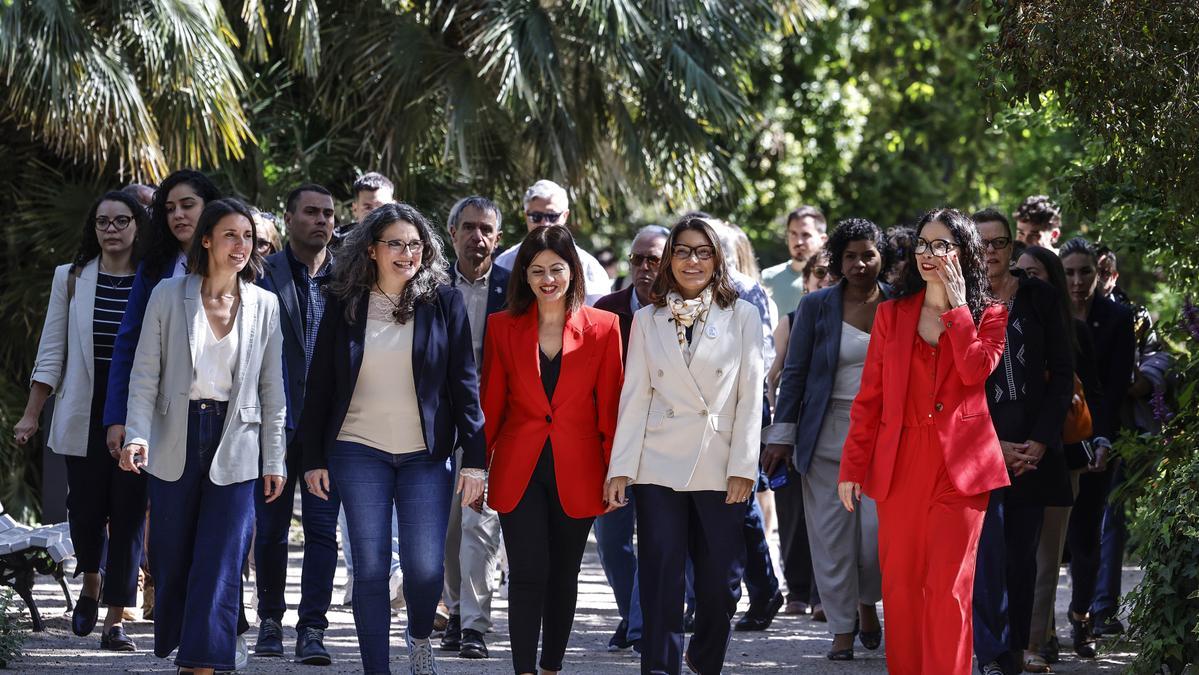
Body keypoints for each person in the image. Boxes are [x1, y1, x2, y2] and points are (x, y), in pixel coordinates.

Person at [299, 203, 486, 675]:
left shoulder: (444, 302)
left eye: (415, 244)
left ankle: (420, 635)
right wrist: (312, 457)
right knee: (372, 567)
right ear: (372, 250)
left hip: (426, 454)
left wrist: (475, 460)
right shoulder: (345, 303)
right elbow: (319, 384)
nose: (407, 253)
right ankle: (375, 668)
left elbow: (465, 385)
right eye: (396, 244)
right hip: (357, 448)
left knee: (425, 570)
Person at [836, 208, 1009, 674]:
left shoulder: (990, 314)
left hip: (962, 468)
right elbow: (869, 399)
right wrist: (853, 467)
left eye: (941, 245)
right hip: (901, 463)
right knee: (902, 589)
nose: (929, 254)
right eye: (922, 245)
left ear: (964, 253)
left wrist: (956, 309)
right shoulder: (891, 315)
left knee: (950, 588)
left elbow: (975, 371)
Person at [119, 198, 287, 675]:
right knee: (169, 554)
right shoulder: (169, 296)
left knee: (221, 556)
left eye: (248, 237)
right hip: (176, 432)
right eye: (230, 235)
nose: (241, 245)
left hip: (236, 440)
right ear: (207, 239)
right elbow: (144, 375)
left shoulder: (264, 305)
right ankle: (187, 638)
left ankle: (202, 660)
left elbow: (273, 388)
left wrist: (274, 459)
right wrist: (136, 435)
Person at [606, 215, 763, 675]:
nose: (692, 261)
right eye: (682, 251)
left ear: (717, 260)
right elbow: (635, 397)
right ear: (668, 259)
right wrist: (621, 468)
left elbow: (752, 396)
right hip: (658, 462)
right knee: (659, 576)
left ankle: (705, 657)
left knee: (723, 582)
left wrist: (744, 466)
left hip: (721, 461)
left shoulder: (744, 315)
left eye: (703, 251)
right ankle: (659, 667)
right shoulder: (646, 320)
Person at [481, 224, 623, 675]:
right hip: (518, 466)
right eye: (537, 270)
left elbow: (611, 408)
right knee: (525, 573)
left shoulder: (604, 327)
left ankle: (551, 668)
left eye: (556, 269)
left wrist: (616, 470)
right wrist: (473, 468)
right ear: (524, 274)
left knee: (563, 575)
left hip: (579, 468)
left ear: (573, 271)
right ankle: (523, 669)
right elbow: (491, 405)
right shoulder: (501, 328)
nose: (547, 279)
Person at [14, 191, 148, 651]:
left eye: (121, 221)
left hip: (138, 412)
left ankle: (115, 620)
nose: (111, 230)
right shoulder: (70, 279)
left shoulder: (156, 281)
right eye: (102, 222)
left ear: (137, 226)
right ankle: (91, 580)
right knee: (86, 512)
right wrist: (32, 413)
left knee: (129, 516)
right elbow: (52, 349)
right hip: (83, 408)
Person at [762, 218, 891, 661]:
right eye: (850, 256)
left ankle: (866, 602)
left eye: (868, 254)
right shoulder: (817, 306)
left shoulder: (900, 305)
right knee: (832, 536)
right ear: (838, 260)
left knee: (875, 537)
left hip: (885, 435)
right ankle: (841, 628)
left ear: (882, 257)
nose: (859, 264)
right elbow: (794, 373)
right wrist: (781, 436)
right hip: (826, 433)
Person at [970, 209, 1074, 675]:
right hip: (979, 442)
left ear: (1012, 247)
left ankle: (1014, 650)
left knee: (1021, 553)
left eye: (999, 243)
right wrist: (993, 442)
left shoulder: (1041, 297)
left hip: (1033, 445)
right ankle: (990, 651)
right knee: (984, 554)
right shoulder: (961, 300)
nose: (991, 252)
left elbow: (1062, 373)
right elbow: (956, 383)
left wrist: (1039, 441)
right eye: (982, 244)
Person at [252, 184, 341, 664]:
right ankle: (269, 620)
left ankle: (313, 628)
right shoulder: (262, 274)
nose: (321, 221)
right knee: (270, 530)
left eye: (328, 213)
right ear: (288, 219)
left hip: (330, 430)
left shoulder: (350, 277)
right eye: (310, 212)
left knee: (324, 533)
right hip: (274, 424)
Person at [1013, 244, 1104, 671]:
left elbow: (1097, 396)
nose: (1026, 280)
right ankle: (1014, 637)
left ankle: (1036, 640)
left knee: (1048, 555)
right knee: (1009, 552)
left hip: (1060, 453)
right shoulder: (1000, 320)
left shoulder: (1074, 331)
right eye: (1021, 272)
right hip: (1007, 452)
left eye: (1035, 273)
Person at [592, 224, 669, 652]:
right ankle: (633, 614)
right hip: (612, 444)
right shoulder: (606, 310)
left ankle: (641, 628)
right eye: (637, 259)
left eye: (652, 259)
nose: (643, 268)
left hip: (664, 443)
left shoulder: (685, 311)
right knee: (612, 540)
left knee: (658, 537)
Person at [440, 195, 510, 660]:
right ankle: (455, 610)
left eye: (485, 229)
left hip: (492, 422)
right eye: (467, 227)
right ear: (452, 234)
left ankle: (475, 627)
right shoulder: (429, 284)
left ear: (498, 238)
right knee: (444, 526)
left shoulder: (514, 287)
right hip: (435, 419)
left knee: (480, 522)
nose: (476, 237)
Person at [1059, 237, 1136, 659]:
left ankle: (1081, 617)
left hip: (1098, 435)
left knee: (1088, 532)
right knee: (1050, 536)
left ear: (1099, 273)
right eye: (1068, 271)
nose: (1076, 280)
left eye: (1084, 271)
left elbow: (1114, 387)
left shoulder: (1118, 318)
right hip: (1051, 438)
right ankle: (1039, 631)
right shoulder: (1047, 314)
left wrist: (1101, 440)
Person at [492, 179, 612, 303]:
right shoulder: (505, 262)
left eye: (552, 216)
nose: (545, 223)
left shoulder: (590, 268)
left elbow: (597, 317)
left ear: (565, 216)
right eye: (536, 217)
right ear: (526, 216)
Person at [761, 206, 829, 317]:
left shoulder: (832, 281)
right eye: (793, 233)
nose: (798, 241)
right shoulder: (768, 277)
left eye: (806, 234)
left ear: (823, 239)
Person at [333, 172, 395, 247]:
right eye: (368, 207)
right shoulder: (336, 245)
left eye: (382, 207)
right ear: (355, 209)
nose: (375, 214)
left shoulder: (408, 241)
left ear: (394, 208)